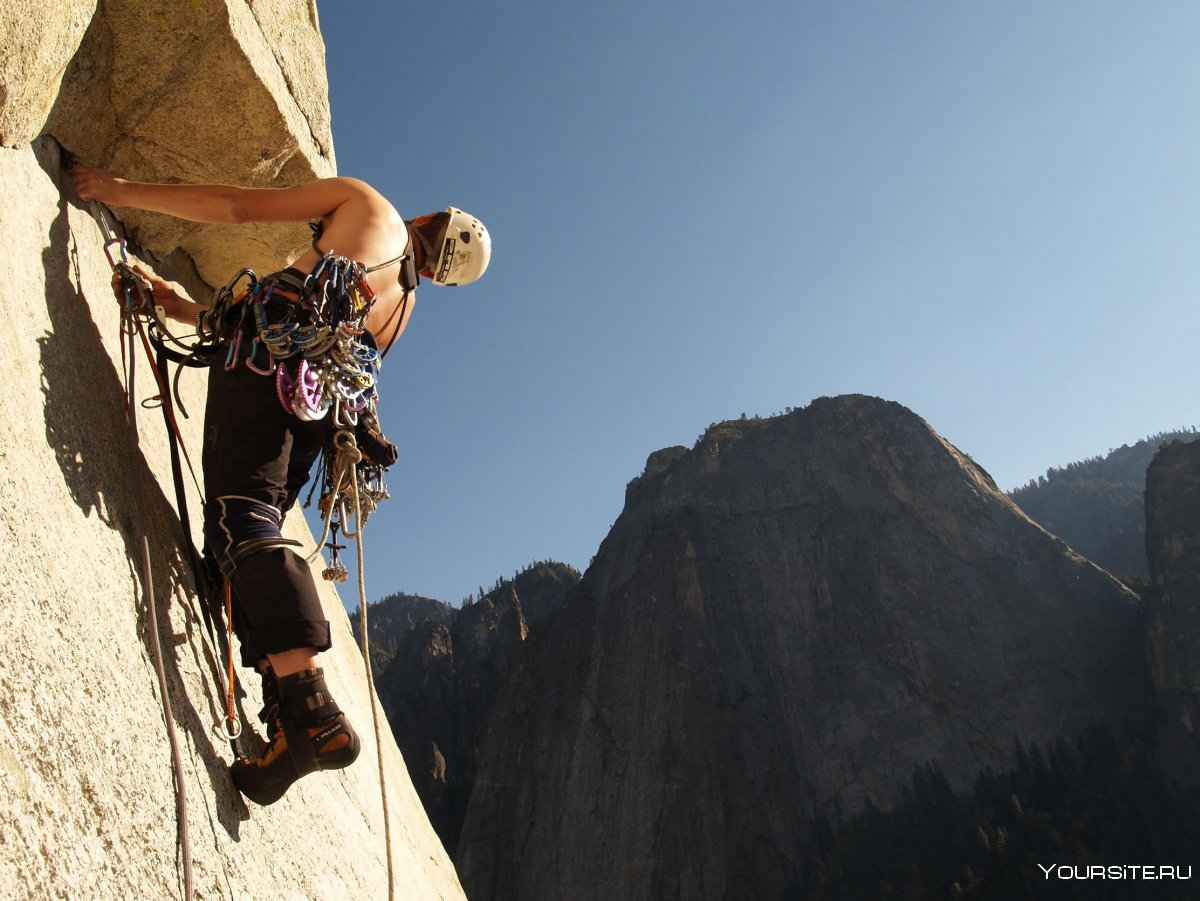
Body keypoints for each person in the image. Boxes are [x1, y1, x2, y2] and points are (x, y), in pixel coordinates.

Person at [69, 164, 491, 804]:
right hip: (312, 413)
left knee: (243, 518)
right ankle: (284, 715)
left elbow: (238, 205)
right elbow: (307, 336)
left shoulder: (368, 204)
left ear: (431, 221)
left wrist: (116, 191)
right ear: (438, 272)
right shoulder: (402, 307)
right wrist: (183, 308)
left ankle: (309, 705)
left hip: (269, 371)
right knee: (248, 525)